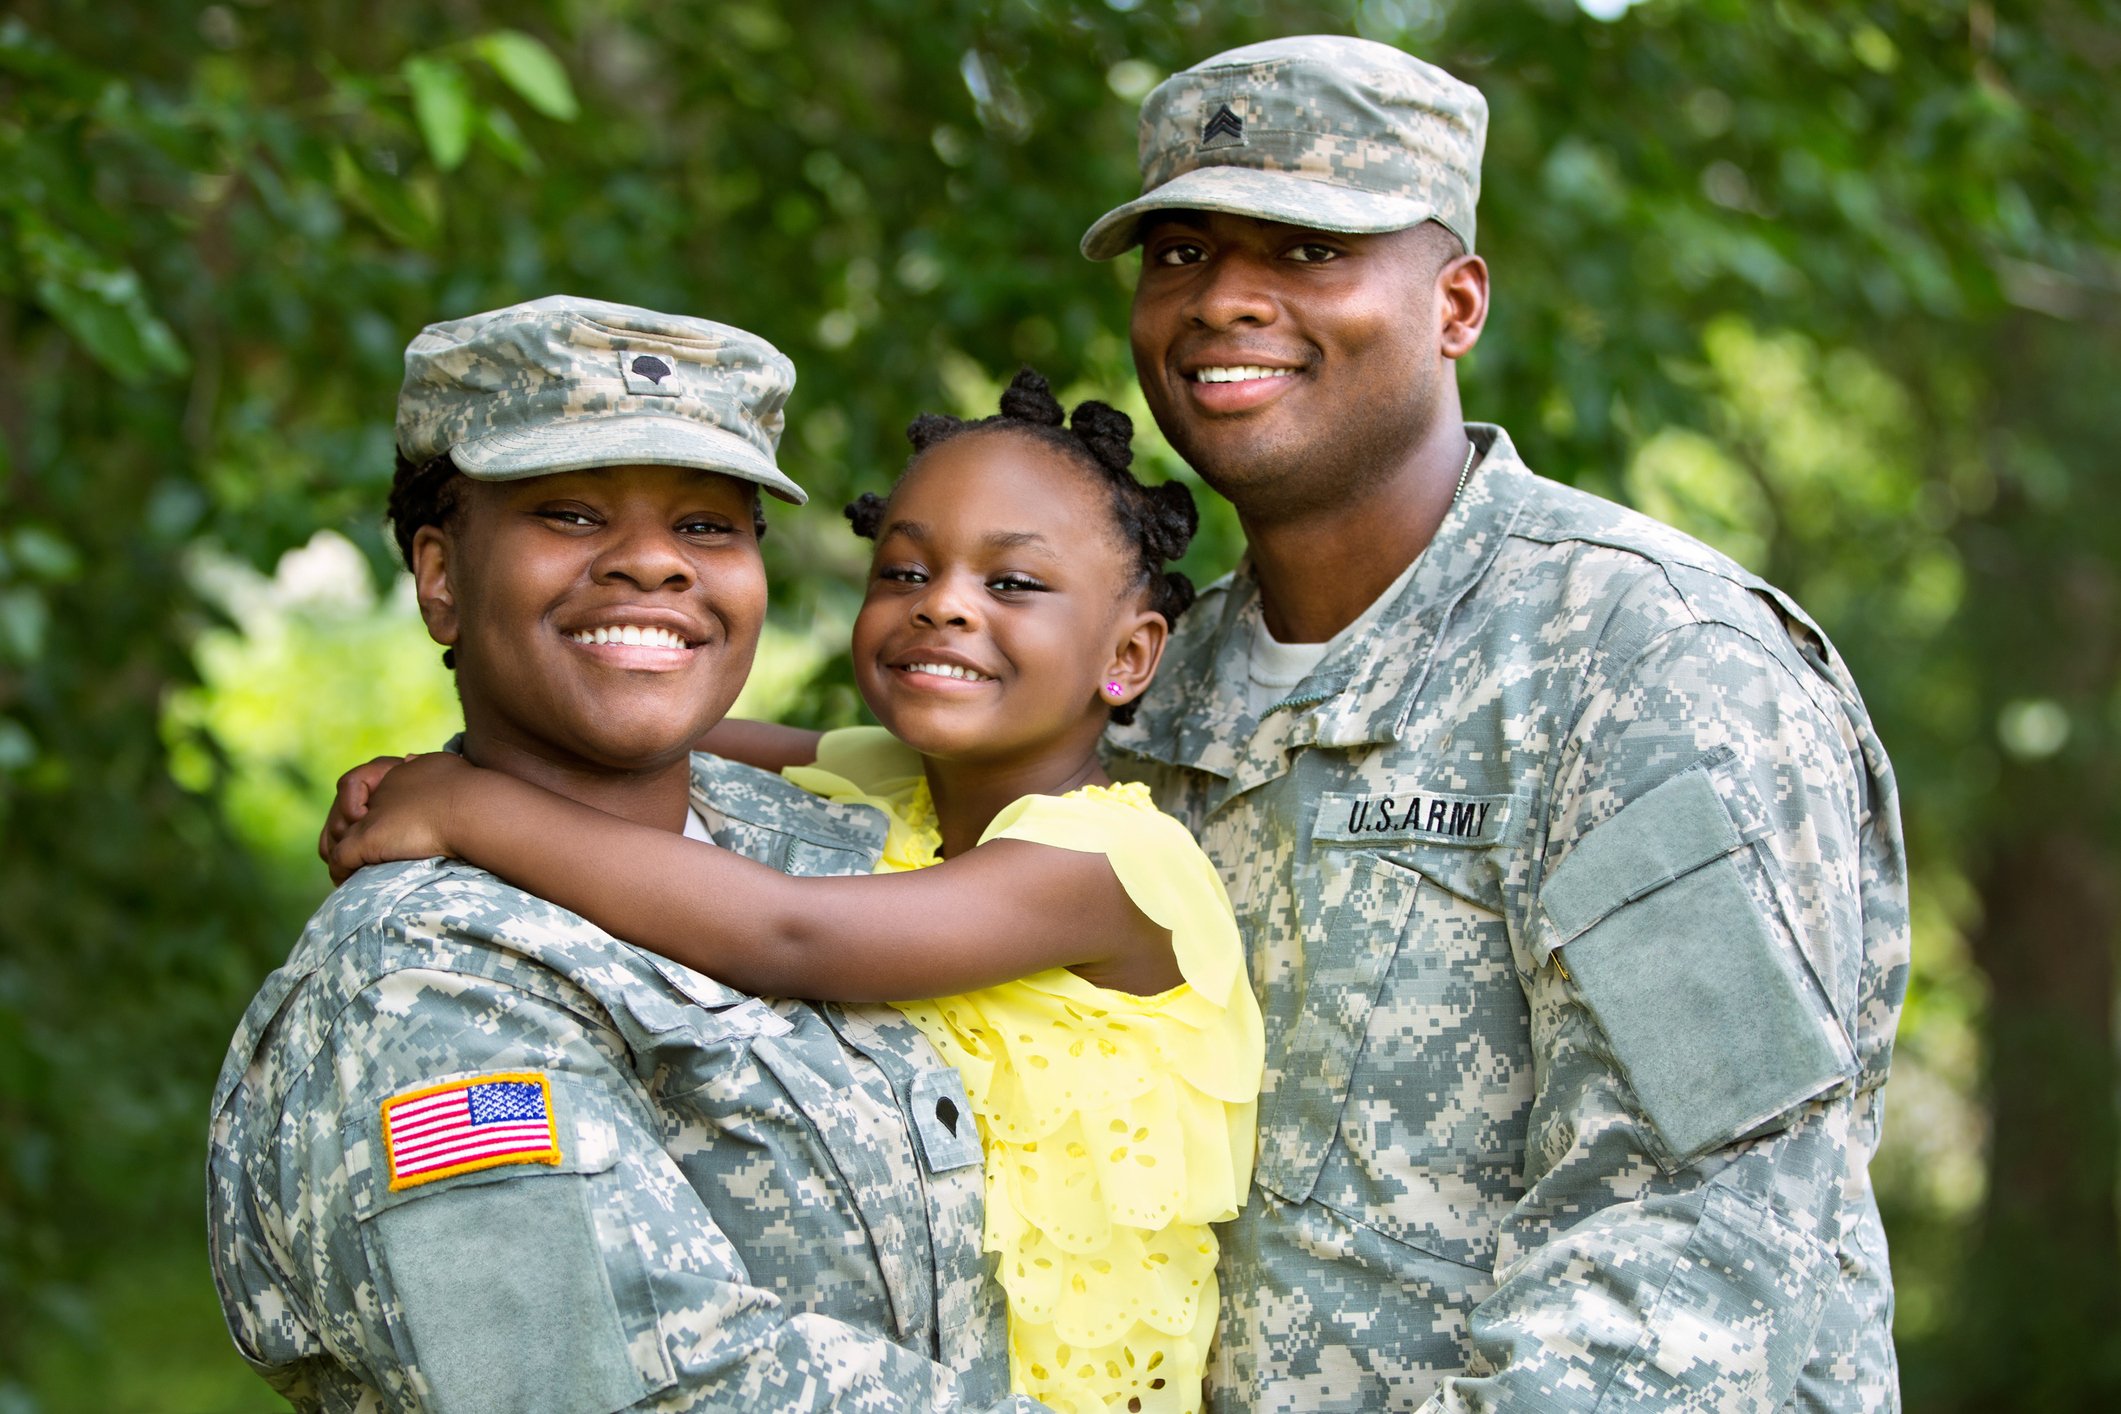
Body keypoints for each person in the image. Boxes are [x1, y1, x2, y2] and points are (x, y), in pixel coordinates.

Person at [1078, 35, 1909, 1412]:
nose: (1223, 298)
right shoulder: (1150, 690)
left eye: (1303, 250)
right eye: (1179, 254)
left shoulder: (1646, 664)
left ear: (1456, 302)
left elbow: (1696, 1243)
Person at [323, 369, 1265, 1414]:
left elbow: (789, 932)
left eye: (1013, 586)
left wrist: (466, 806)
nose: (943, 603)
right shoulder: (883, 779)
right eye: (904, 572)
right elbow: (650, 712)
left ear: (1128, 656)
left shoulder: (1110, 865)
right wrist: (445, 754)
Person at [207, 296, 1046, 1412]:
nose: (653, 564)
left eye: (707, 525)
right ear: (442, 576)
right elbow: (631, 1384)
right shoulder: (419, 982)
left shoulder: (838, 839)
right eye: (569, 513)